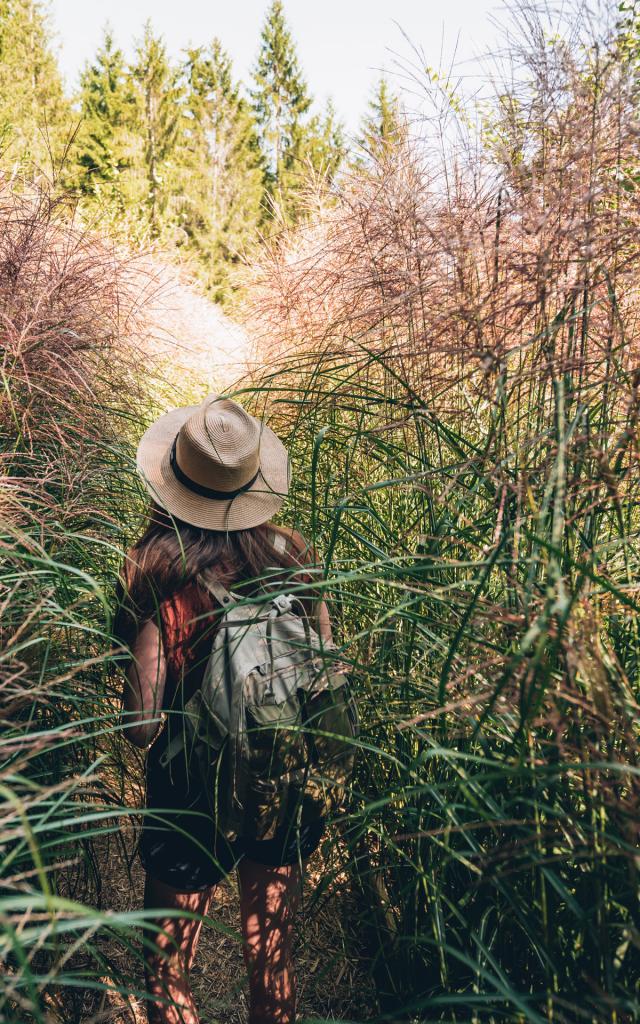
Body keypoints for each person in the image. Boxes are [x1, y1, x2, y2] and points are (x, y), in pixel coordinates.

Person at [114, 394, 332, 1024]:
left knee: (166, 965)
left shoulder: (158, 572)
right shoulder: (294, 558)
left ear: (172, 485)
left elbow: (141, 728)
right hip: (281, 775)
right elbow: (324, 674)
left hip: (191, 792)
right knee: (272, 955)